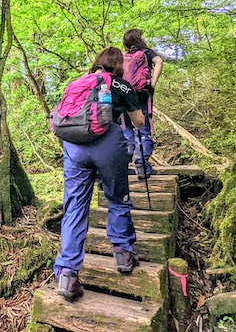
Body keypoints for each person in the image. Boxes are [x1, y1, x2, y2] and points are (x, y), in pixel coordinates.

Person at [54, 47, 146, 300]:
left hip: (73, 146)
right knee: (116, 197)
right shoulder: (121, 85)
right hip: (107, 143)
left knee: (74, 208)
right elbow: (138, 122)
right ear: (118, 65)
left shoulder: (78, 82)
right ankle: (123, 254)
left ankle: (67, 274)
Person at [122, 29, 163, 179]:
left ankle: (124, 165)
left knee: (126, 129)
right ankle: (142, 164)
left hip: (125, 96)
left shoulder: (123, 56)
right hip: (141, 95)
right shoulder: (146, 52)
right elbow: (159, 61)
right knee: (143, 128)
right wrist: (152, 82)